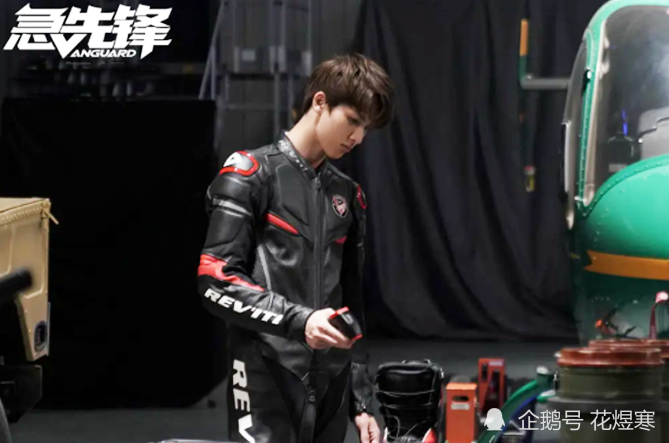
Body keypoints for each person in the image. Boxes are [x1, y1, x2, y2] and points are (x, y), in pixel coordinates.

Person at [196, 53, 394, 443]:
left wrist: (361, 401)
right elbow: (214, 280)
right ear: (320, 102)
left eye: (366, 128)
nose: (358, 137)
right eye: (353, 120)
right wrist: (301, 321)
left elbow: (351, 306)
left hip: (333, 387)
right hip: (264, 374)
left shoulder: (349, 196)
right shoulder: (249, 175)